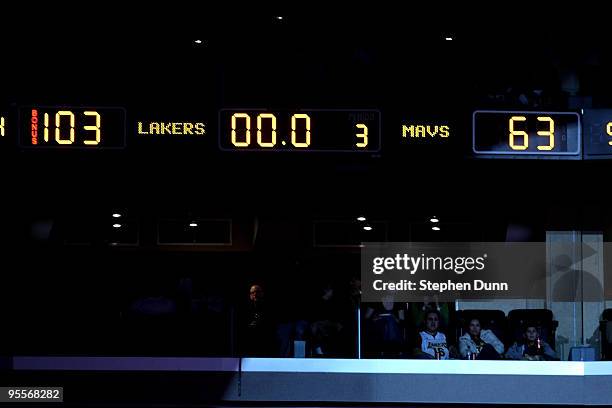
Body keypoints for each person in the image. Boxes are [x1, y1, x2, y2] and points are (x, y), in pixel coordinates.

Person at [239, 283, 275, 356]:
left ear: (262, 293)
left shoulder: (268, 307)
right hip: (250, 338)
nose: (255, 294)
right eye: (253, 292)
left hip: (265, 338)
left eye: (257, 292)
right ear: (250, 295)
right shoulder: (244, 308)